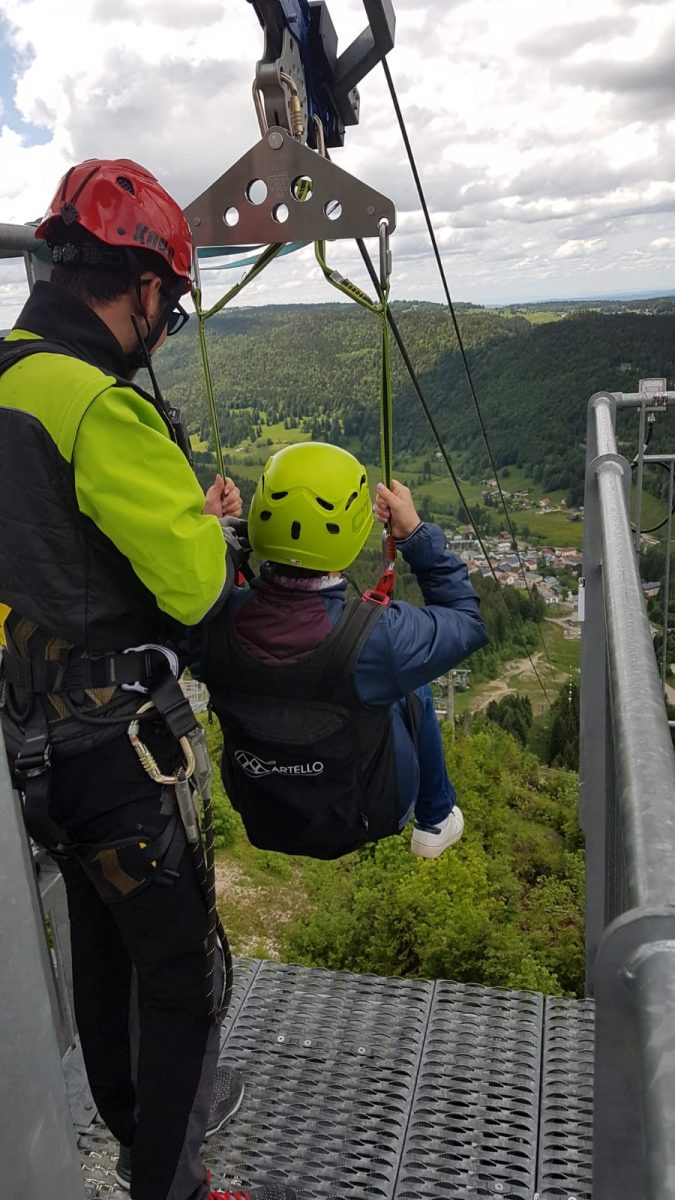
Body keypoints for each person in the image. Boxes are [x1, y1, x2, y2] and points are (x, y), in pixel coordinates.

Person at [0, 160, 297, 1200]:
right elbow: (193, 590)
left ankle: (135, 1137)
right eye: (167, 302)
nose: (164, 325)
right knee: (181, 982)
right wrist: (210, 526)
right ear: (138, 287)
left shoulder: (7, 378)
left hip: (32, 742)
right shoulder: (96, 404)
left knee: (102, 952)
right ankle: (169, 1184)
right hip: (118, 753)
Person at [202, 442, 488, 861]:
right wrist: (415, 536)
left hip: (262, 805)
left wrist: (215, 532)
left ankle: (434, 817)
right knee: (413, 686)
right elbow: (466, 621)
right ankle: (435, 818)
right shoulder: (379, 641)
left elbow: (177, 608)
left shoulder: (211, 622)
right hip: (367, 812)